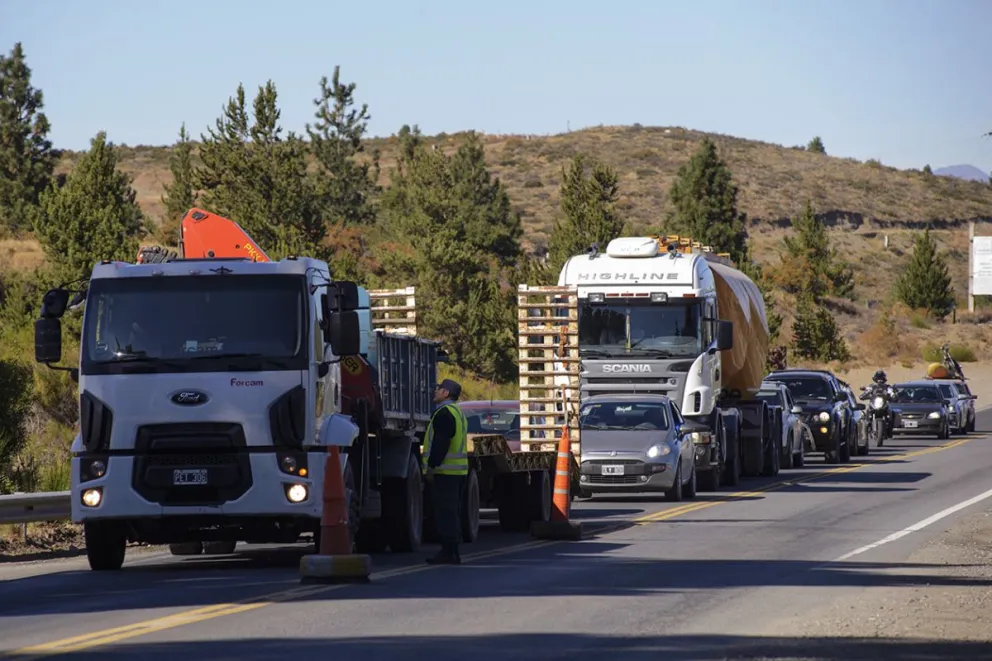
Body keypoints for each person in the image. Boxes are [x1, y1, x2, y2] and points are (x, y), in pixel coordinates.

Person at [422, 378, 468, 565]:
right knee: (451, 512)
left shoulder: (444, 413)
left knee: (445, 513)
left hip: (446, 472)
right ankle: (452, 552)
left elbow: (442, 442)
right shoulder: (457, 412)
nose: (435, 391)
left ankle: (448, 552)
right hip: (457, 473)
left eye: (439, 389)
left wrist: (432, 465)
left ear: (446, 393)